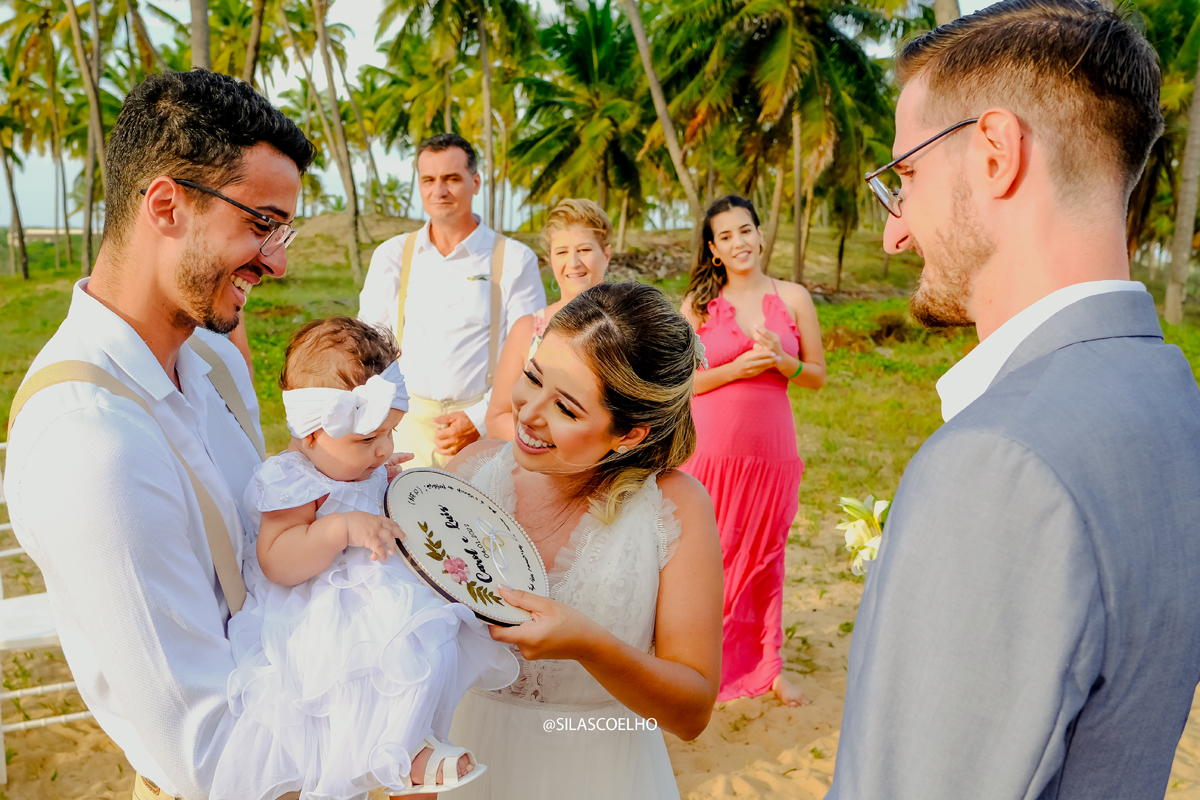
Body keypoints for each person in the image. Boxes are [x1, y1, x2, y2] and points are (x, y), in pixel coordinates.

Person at [828, 2, 1200, 798]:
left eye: (907, 177)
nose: (895, 233)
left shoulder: (999, 464)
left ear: (995, 153)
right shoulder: (1173, 400)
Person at [4, 70, 315, 799]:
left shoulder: (215, 360)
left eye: (284, 231)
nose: (278, 261)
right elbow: (207, 755)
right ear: (167, 205)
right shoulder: (90, 443)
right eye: (262, 224)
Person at [210, 317, 518, 800]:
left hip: (382, 587)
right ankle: (392, 750)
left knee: (427, 644)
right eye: (367, 441)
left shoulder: (353, 464)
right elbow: (276, 560)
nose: (383, 449)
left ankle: (413, 739)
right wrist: (340, 528)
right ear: (312, 435)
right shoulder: (293, 480)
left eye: (389, 433)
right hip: (322, 609)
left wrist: (383, 480)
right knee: (371, 660)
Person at [442, 282, 724, 799]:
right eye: (533, 377)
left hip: (599, 774)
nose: (528, 413)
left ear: (630, 433)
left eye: (567, 409)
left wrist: (590, 646)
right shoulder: (468, 472)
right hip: (465, 760)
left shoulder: (673, 508)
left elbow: (692, 713)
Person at [679, 195, 826, 708]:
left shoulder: (794, 297)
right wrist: (736, 370)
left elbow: (816, 376)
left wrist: (784, 362)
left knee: (767, 555)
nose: (739, 242)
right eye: (726, 236)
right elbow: (684, 384)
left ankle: (770, 665)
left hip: (771, 452)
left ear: (761, 235)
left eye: (746, 230)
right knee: (708, 555)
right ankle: (699, 660)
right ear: (713, 249)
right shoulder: (697, 306)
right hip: (711, 451)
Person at [358, 134, 546, 468]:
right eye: (428, 180)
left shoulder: (515, 259)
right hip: (404, 425)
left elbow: (531, 354)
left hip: (485, 429)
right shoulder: (392, 255)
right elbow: (368, 345)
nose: (439, 190)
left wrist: (479, 419)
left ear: (475, 183)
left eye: (452, 179)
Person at [484, 198, 612, 440]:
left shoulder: (628, 326)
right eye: (562, 252)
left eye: (584, 250)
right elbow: (497, 417)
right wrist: (551, 445)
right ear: (550, 259)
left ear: (606, 254)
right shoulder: (527, 329)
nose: (573, 263)